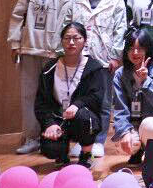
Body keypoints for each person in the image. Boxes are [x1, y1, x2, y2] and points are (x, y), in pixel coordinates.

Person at [10, 0, 80, 154]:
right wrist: (15, 43)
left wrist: (67, 48)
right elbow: (16, 16)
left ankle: (53, 138)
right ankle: (31, 138)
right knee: (28, 95)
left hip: (54, 52)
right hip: (29, 49)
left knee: (55, 96)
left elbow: (72, 21)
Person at [61, 0, 127, 156]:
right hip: (78, 57)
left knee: (104, 102)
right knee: (78, 99)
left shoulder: (116, 0)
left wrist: (115, 56)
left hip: (103, 57)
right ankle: (80, 140)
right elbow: (66, 25)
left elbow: (120, 30)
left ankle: (98, 141)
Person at [35, 23, 107, 168]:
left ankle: (86, 155)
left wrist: (77, 105)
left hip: (82, 118)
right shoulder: (49, 68)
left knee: (84, 117)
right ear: (61, 41)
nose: (71, 42)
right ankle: (61, 155)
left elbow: (96, 97)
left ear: (84, 41)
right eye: (67, 38)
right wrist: (49, 124)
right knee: (50, 148)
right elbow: (41, 102)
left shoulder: (94, 67)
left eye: (76, 38)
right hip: (58, 118)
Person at [111, 29, 153, 164]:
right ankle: (138, 149)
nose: (135, 53)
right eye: (131, 48)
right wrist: (125, 132)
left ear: (148, 50)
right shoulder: (120, 75)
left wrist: (146, 81)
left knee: (149, 126)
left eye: (140, 49)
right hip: (133, 124)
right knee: (123, 141)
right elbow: (120, 108)